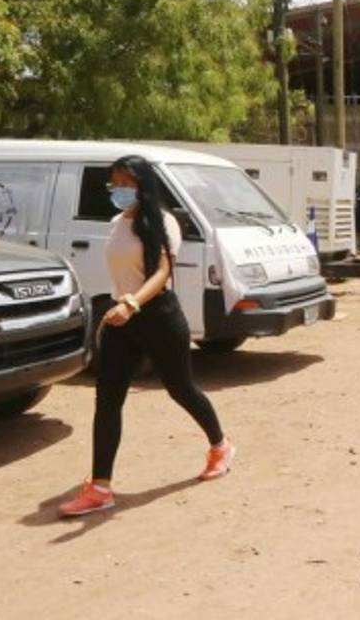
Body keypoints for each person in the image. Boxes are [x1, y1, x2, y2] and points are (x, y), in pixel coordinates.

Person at [59, 156, 234, 517]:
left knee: (181, 388)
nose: (119, 190)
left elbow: (162, 272)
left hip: (157, 316)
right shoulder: (116, 223)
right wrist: (122, 305)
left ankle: (221, 446)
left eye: (127, 183)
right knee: (107, 400)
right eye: (115, 183)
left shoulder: (163, 222)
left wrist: (133, 303)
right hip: (121, 316)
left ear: (144, 185)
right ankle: (100, 487)